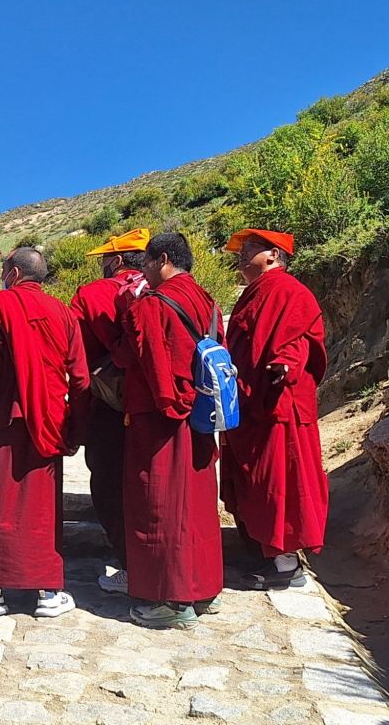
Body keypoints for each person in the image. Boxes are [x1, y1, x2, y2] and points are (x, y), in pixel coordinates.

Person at [0, 247, 91, 618]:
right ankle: (48, 593)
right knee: (42, 510)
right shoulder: (64, 313)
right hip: (51, 423)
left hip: (8, 423)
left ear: (14, 274)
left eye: (4, 270)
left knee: (2, 506)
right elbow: (81, 379)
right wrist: (74, 430)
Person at [112, 232, 224, 629]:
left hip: (161, 423)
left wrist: (127, 309)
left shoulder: (152, 305)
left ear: (162, 260)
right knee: (196, 504)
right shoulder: (207, 301)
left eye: (145, 262)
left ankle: (172, 601)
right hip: (200, 417)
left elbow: (142, 362)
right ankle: (203, 588)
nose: (142, 270)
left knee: (160, 505)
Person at [221, 229, 328, 589]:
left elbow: (300, 341)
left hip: (278, 406)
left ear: (273, 255)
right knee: (254, 482)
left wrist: (285, 362)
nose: (241, 254)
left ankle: (286, 565)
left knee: (279, 482)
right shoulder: (253, 292)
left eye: (250, 248)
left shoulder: (290, 292)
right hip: (250, 403)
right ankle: (263, 552)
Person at [70, 228, 151, 594]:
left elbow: (73, 351)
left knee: (109, 482)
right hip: (158, 405)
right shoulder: (162, 290)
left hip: (107, 404)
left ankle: (130, 564)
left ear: (117, 260)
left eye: (105, 259)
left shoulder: (91, 294)